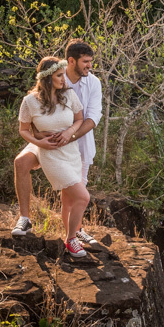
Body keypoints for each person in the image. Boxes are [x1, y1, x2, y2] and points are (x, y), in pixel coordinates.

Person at [10, 56, 91, 258]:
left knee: (75, 197)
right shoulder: (29, 102)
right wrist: (39, 142)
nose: (64, 79)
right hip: (46, 149)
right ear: (47, 78)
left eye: (63, 74)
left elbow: (80, 119)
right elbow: (24, 130)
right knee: (83, 196)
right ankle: (66, 237)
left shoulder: (69, 95)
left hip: (68, 149)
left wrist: (68, 133)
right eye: (59, 75)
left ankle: (72, 235)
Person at [57, 39, 103, 245]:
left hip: (82, 145)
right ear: (71, 61)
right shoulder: (56, 78)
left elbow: (92, 118)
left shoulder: (93, 82)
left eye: (90, 61)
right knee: (70, 192)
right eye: (85, 61)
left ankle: (75, 231)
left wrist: (71, 136)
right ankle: (72, 235)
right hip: (56, 144)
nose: (89, 66)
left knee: (79, 188)